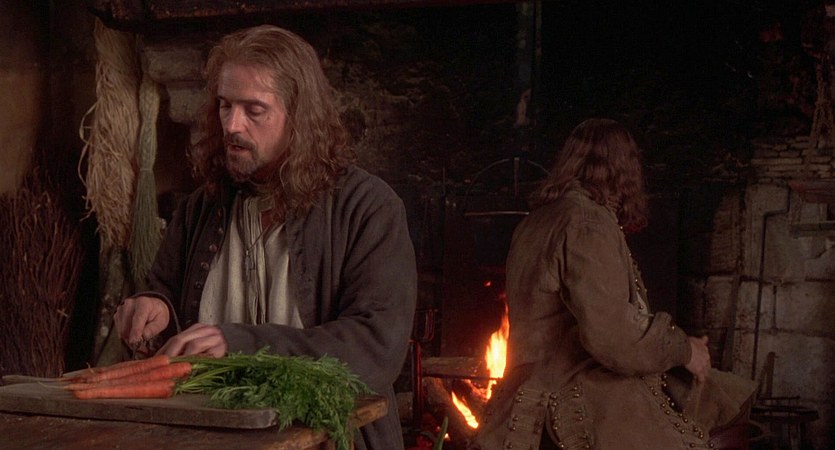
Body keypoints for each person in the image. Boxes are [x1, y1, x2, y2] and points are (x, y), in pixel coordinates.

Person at [113, 25, 417, 450]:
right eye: (225, 106)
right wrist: (155, 310)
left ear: (299, 117)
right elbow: (166, 295)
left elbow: (375, 348)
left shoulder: (368, 208)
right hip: (207, 438)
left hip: (328, 440)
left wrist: (239, 344)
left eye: (254, 110)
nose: (232, 125)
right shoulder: (202, 207)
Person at [471, 118, 757, 450]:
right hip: (574, 399)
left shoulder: (537, 220)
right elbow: (614, 339)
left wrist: (680, 347)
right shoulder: (586, 222)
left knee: (719, 398)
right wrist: (684, 350)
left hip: (524, 398)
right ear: (625, 169)